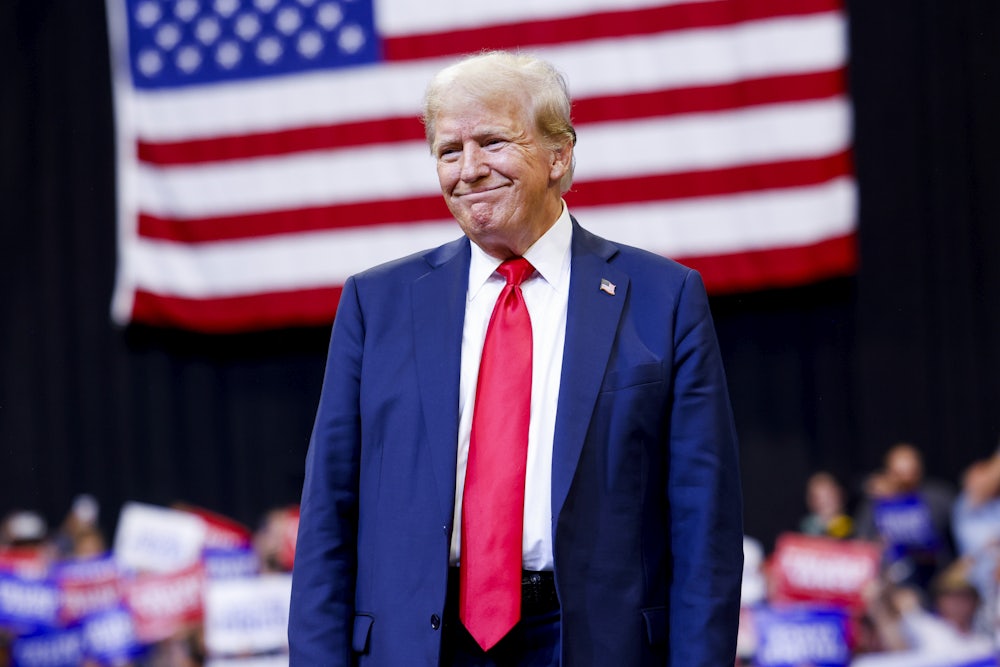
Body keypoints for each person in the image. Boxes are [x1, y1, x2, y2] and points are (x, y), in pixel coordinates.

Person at [288, 51, 744, 666]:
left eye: (493, 142)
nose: (469, 169)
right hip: (419, 645)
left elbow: (705, 528)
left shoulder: (663, 298)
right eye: (449, 151)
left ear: (559, 155)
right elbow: (327, 518)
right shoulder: (376, 304)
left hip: (592, 643)